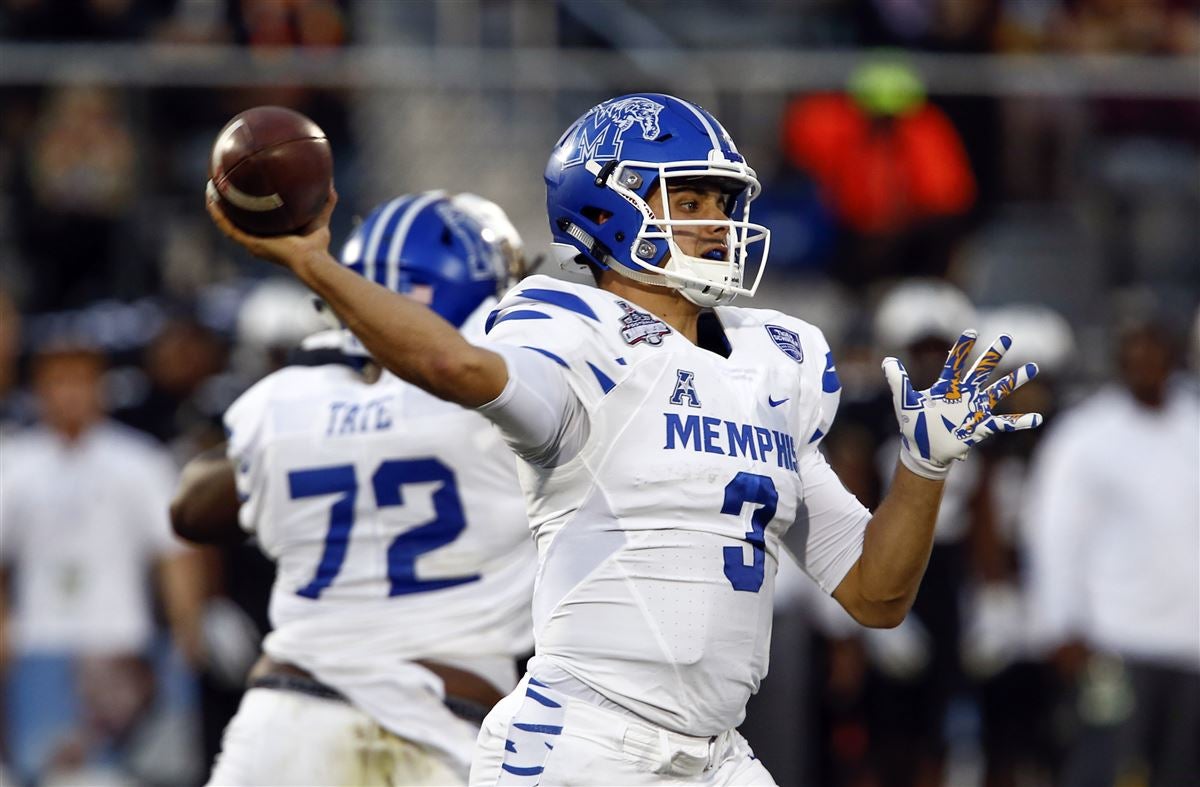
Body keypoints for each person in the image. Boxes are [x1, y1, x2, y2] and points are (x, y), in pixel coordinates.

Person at [205, 93, 1042, 786]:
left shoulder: (770, 362)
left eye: (723, 201)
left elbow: (874, 594)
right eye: (692, 198)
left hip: (716, 757)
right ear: (609, 204)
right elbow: (456, 365)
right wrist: (315, 264)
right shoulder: (573, 332)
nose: (718, 221)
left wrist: (924, 466)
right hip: (584, 743)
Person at [172, 191, 538, 785]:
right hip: (440, 724)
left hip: (282, 718)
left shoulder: (285, 401)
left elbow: (189, 511)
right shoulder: (511, 410)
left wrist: (316, 426)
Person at [0, 342, 206, 786]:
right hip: (42, 645)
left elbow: (173, 553)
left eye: (80, 381)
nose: (69, 393)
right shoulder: (13, 463)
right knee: (45, 771)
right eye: (57, 382)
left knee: (136, 774)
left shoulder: (139, 459)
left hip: (122, 646)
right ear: (38, 390)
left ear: (100, 388)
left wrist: (187, 629)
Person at [1025, 315, 1199, 787]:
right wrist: (1058, 623)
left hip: (1190, 644)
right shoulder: (1086, 436)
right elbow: (1055, 533)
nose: (1146, 361)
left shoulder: (1193, 428)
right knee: (1108, 770)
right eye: (1135, 350)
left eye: (1155, 348)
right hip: (1116, 642)